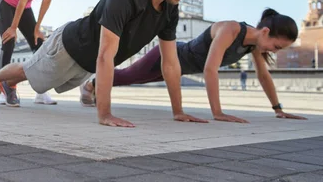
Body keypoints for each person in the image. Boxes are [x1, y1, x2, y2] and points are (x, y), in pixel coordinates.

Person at [0, 0, 205, 127]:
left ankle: (10, 85)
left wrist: (179, 112)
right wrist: (105, 114)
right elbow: (106, 55)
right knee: (28, 71)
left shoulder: (170, 12)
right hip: (69, 46)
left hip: (88, 62)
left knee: (39, 80)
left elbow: (171, 63)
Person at [79, 9, 307, 123]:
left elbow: (263, 75)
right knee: (130, 76)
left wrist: (278, 109)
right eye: (276, 46)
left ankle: (93, 85)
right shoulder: (231, 30)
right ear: (265, 32)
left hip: (180, 68)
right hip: (168, 56)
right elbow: (210, 68)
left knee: (132, 78)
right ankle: (90, 85)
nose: (273, 52)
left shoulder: (255, 46)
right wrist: (218, 113)